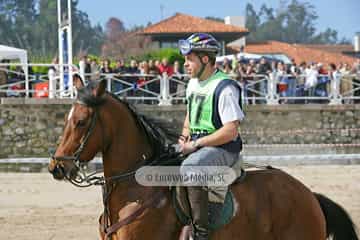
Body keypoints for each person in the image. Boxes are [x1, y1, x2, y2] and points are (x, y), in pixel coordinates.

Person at [177, 33, 244, 240]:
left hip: (223, 148)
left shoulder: (225, 87)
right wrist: (184, 136)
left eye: (190, 59)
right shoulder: (193, 83)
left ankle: (201, 232)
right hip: (198, 145)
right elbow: (190, 116)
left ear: (205, 59)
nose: (185, 64)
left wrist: (196, 143)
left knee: (190, 168)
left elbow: (230, 131)